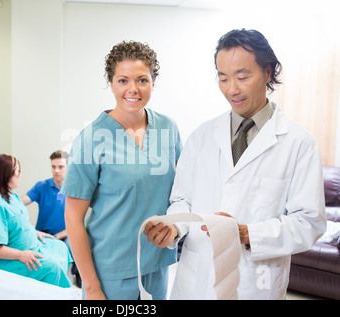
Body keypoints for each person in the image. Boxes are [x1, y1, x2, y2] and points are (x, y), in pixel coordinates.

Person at [144, 29, 326, 299]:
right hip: (196, 279)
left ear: (267, 72)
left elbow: (309, 222)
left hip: (254, 282)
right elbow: (183, 200)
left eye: (242, 77)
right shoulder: (202, 136)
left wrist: (246, 234)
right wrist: (174, 226)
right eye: (223, 77)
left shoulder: (299, 143)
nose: (232, 89)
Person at [61, 41, 182, 300]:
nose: (133, 89)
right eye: (123, 80)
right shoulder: (92, 138)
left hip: (156, 265)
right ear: (111, 83)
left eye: (142, 80)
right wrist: (92, 288)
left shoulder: (168, 128)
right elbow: (73, 218)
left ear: (153, 83)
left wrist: (176, 227)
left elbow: (180, 192)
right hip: (109, 271)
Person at [0, 154, 73, 288]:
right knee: (52, 268)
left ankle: (48, 288)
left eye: (61, 167)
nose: (20, 175)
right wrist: (21, 255)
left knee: (60, 247)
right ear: (5, 174)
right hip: (2, 258)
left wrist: (34, 232)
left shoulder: (12, 196)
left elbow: (18, 222)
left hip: (27, 245)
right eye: (17, 172)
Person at [21, 150, 69, 241]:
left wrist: (56, 237)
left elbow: (79, 224)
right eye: (53, 167)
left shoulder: (75, 190)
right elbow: (21, 201)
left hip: (65, 236)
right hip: (42, 235)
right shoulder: (41, 186)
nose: (56, 170)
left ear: (68, 167)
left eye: (61, 167)